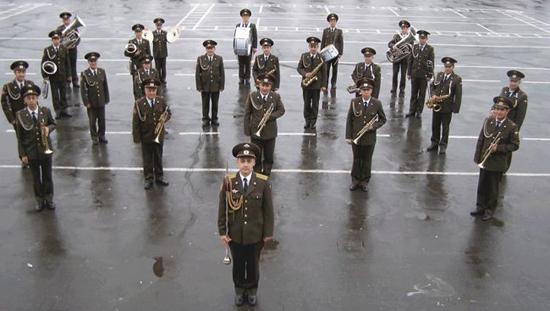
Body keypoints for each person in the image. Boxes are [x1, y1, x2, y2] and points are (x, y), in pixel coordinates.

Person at [218, 142, 274, 306]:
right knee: (238, 265)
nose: (245, 164)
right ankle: (239, 290)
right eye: (242, 160)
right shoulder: (229, 181)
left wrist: (267, 234)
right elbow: (222, 208)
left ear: (254, 163)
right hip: (235, 234)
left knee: (253, 265)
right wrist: (222, 232)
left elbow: (268, 211)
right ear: (237, 162)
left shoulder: (263, 183)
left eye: (249, 161)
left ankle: (252, 290)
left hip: (255, 235)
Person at [472, 96, 519, 221]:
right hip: (484, 160)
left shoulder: (511, 126)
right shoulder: (489, 121)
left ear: (507, 111)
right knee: (482, 185)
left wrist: (498, 148)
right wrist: (477, 157)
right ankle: (480, 206)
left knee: (493, 188)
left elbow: (515, 145)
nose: (499, 112)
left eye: (502, 110)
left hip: (497, 162)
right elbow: (481, 139)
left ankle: (489, 210)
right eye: (497, 109)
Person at [15, 84, 56, 211]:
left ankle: (49, 199)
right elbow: (20, 137)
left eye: (33, 97)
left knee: (47, 176)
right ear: (25, 100)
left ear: (37, 99)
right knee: (36, 178)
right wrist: (23, 155)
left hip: (45, 150)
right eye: (29, 98)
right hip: (31, 152)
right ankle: (39, 200)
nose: (31, 100)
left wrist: (48, 129)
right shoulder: (20, 115)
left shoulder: (45, 111)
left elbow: (53, 123)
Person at [345, 79, 387, 192]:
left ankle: (364, 181)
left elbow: (383, 119)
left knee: (367, 160)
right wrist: (348, 136)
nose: (366, 92)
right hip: (356, 136)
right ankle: (355, 180)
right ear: (360, 91)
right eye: (363, 90)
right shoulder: (354, 102)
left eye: (368, 90)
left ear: (371, 91)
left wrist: (373, 127)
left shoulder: (377, 103)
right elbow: (350, 120)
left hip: (369, 138)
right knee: (357, 159)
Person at [132, 78, 171, 190]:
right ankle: (148, 178)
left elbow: (168, 113)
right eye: (149, 90)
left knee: (158, 157)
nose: (152, 92)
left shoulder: (161, 101)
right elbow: (136, 122)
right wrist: (137, 138)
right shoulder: (139, 104)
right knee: (147, 158)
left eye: (153, 90)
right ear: (145, 90)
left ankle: (159, 177)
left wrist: (164, 118)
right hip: (146, 136)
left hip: (159, 136)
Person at [244, 74, 285, 176]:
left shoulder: (275, 96)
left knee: (269, 157)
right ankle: (258, 176)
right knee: (256, 157)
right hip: (255, 131)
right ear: (259, 85)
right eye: (263, 85)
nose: (265, 88)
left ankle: (266, 175)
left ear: (271, 86)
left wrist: (271, 116)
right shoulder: (252, 96)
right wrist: (247, 130)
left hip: (270, 132)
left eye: (267, 86)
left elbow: (281, 110)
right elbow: (247, 114)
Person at [1, 60, 36, 167]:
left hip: (30, 116)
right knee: (21, 139)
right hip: (18, 119)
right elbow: (5, 104)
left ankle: (32, 157)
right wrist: (12, 119)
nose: (21, 74)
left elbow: (34, 100)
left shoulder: (30, 84)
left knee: (31, 138)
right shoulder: (8, 87)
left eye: (23, 72)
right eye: (19, 72)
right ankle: (24, 158)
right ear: (15, 73)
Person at [426, 57, 462, 154]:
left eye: (449, 66)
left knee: (445, 127)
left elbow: (458, 95)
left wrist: (455, 108)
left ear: (453, 67)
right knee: (435, 125)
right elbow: (432, 86)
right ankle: (434, 143)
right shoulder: (439, 75)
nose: (447, 68)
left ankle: (443, 145)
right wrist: (433, 95)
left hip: (446, 107)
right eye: (446, 66)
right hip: (436, 105)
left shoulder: (456, 79)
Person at [499, 70, 527, 172]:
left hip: (510, 126)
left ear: (519, 82)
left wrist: (515, 130)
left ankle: (505, 168)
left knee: (507, 148)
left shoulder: (522, 96)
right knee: (498, 146)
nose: (513, 83)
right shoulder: (504, 90)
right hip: (500, 122)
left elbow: (520, 116)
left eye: (515, 81)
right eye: (511, 81)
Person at [297, 36, 327, 130]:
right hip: (306, 85)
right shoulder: (304, 56)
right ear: (309, 47)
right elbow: (299, 68)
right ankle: (307, 121)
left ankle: (313, 122)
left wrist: (323, 85)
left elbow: (324, 72)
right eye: (311, 46)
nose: (313, 48)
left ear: (317, 47)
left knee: (315, 104)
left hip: (316, 85)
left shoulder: (321, 57)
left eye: (315, 46)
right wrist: (305, 74)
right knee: (306, 104)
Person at [80, 52, 110, 145]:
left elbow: (105, 86)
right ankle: (94, 137)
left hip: (101, 100)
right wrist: (86, 102)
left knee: (102, 121)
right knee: (92, 121)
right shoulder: (85, 74)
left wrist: (106, 98)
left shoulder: (101, 71)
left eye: (95, 61)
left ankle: (101, 136)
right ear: (88, 62)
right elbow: (83, 90)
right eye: (91, 61)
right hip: (91, 102)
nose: (93, 63)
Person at [41, 30, 72, 119]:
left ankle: (64, 111)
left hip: (63, 76)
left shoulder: (64, 48)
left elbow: (67, 63)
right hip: (53, 77)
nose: (56, 40)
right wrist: (45, 76)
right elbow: (44, 63)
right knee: (55, 95)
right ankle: (58, 112)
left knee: (63, 94)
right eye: (54, 39)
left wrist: (69, 75)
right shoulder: (47, 50)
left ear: (60, 39)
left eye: (57, 38)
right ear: (52, 40)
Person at [195, 40, 225, 127]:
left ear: (214, 49)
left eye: (211, 48)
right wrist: (199, 86)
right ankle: (205, 119)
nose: (210, 50)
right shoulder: (201, 59)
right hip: (205, 86)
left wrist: (221, 85)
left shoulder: (219, 58)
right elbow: (197, 74)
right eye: (208, 48)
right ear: (206, 49)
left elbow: (222, 73)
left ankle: (214, 118)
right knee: (205, 104)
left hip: (215, 85)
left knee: (215, 104)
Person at [406, 30, 434, 118]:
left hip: (423, 75)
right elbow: (410, 60)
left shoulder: (430, 49)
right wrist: (409, 73)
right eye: (421, 38)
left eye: (424, 38)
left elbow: (430, 62)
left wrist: (430, 75)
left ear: (426, 39)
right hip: (415, 74)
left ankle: (419, 111)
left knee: (421, 94)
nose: (422, 40)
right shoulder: (415, 47)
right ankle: (412, 110)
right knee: (413, 94)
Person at [388, 20, 412, 99]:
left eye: (405, 27)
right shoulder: (397, 36)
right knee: (395, 74)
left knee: (403, 75)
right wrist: (393, 46)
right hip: (396, 58)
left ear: (407, 28)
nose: (404, 29)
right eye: (403, 28)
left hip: (405, 59)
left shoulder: (410, 37)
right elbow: (390, 43)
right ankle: (394, 88)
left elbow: (411, 48)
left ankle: (402, 89)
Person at [320, 13, 344, 93]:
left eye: (334, 21)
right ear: (329, 22)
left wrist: (340, 53)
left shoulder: (339, 31)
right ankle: (325, 84)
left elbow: (341, 43)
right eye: (331, 21)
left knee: (335, 70)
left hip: (335, 54)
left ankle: (333, 83)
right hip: (327, 54)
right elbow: (323, 42)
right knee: (326, 70)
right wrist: (321, 53)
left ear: (336, 22)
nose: (332, 22)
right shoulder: (325, 31)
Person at [56, 12, 79, 88]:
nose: (66, 21)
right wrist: (62, 37)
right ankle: (67, 81)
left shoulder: (74, 27)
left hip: (72, 50)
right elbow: (56, 40)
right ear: (63, 20)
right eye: (65, 19)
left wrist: (74, 44)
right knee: (65, 66)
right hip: (64, 50)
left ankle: (75, 81)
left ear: (69, 19)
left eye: (67, 19)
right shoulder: (59, 29)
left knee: (73, 65)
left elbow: (77, 38)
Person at [235, 9, 257, 86]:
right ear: (242, 17)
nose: (245, 18)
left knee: (247, 64)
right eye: (244, 16)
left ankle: (247, 79)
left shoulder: (252, 25)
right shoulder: (238, 25)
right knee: (241, 64)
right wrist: (235, 47)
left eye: (247, 16)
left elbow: (255, 36)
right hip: (240, 47)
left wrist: (254, 47)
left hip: (249, 48)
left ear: (249, 17)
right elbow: (235, 37)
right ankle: (241, 78)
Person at [152, 17, 168, 84]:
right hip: (156, 53)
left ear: (161, 25)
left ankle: (163, 79)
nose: (158, 26)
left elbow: (170, 39)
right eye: (157, 25)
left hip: (163, 53)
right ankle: (158, 79)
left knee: (163, 68)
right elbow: (148, 38)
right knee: (157, 68)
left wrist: (174, 33)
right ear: (156, 25)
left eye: (160, 25)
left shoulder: (165, 33)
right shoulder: (152, 33)